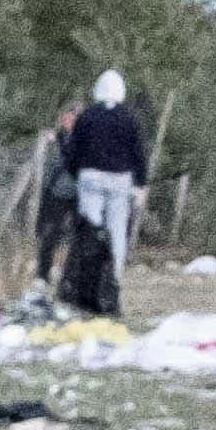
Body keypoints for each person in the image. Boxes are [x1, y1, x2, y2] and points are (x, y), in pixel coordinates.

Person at [62, 69, 149, 316]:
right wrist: (141, 183)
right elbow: (138, 153)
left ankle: (87, 279)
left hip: (90, 177)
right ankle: (113, 278)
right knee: (116, 230)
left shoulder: (87, 116)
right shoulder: (128, 118)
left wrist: (76, 174)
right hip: (120, 180)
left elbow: (73, 150)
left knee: (90, 229)